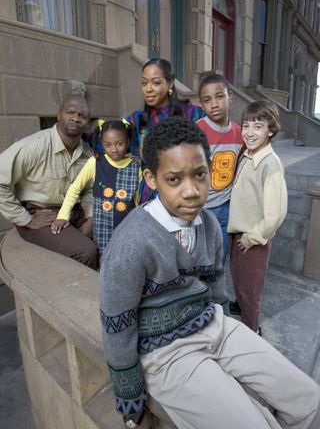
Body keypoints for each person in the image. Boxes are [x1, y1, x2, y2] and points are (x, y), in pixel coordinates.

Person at [100, 117, 320, 429]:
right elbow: (117, 331)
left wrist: (230, 344)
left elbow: (217, 292)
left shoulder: (210, 225)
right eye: (174, 179)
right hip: (165, 352)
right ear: (151, 178)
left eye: (199, 175)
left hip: (213, 325)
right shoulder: (130, 245)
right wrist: (131, 409)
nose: (191, 191)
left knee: (309, 401)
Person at [0, 94, 98, 269]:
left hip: (71, 211)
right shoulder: (33, 147)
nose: (76, 118)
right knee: (87, 251)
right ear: (59, 114)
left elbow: (89, 190)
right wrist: (26, 219)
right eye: (71, 112)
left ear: (87, 122)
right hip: (41, 213)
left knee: (109, 233)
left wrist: (90, 218)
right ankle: (77, 295)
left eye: (82, 115)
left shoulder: (87, 154)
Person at [227, 100, 288, 334]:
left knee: (250, 291)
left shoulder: (270, 164)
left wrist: (253, 237)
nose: (249, 133)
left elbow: (275, 213)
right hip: (239, 232)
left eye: (258, 126)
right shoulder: (247, 155)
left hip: (253, 238)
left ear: (270, 130)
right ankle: (241, 307)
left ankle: (251, 333)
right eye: (246, 126)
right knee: (239, 282)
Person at [52, 120, 141, 259]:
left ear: (128, 142)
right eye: (108, 145)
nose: (114, 149)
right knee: (104, 261)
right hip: (102, 229)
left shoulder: (136, 167)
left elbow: (138, 200)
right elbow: (75, 189)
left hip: (129, 228)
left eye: (120, 143)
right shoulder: (95, 162)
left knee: (127, 260)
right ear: (102, 143)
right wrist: (63, 215)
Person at [126, 58, 204, 202]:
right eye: (144, 83)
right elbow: (107, 139)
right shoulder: (136, 120)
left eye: (155, 82)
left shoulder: (193, 114)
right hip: (149, 194)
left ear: (170, 84)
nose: (148, 89)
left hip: (182, 192)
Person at [197, 74, 243, 314]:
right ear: (201, 104)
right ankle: (196, 301)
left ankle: (215, 306)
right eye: (207, 100)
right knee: (197, 258)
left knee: (219, 261)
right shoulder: (199, 131)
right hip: (201, 209)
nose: (214, 104)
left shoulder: (239, 133)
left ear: (230, 97)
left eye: (219, 97)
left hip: (225, 208)